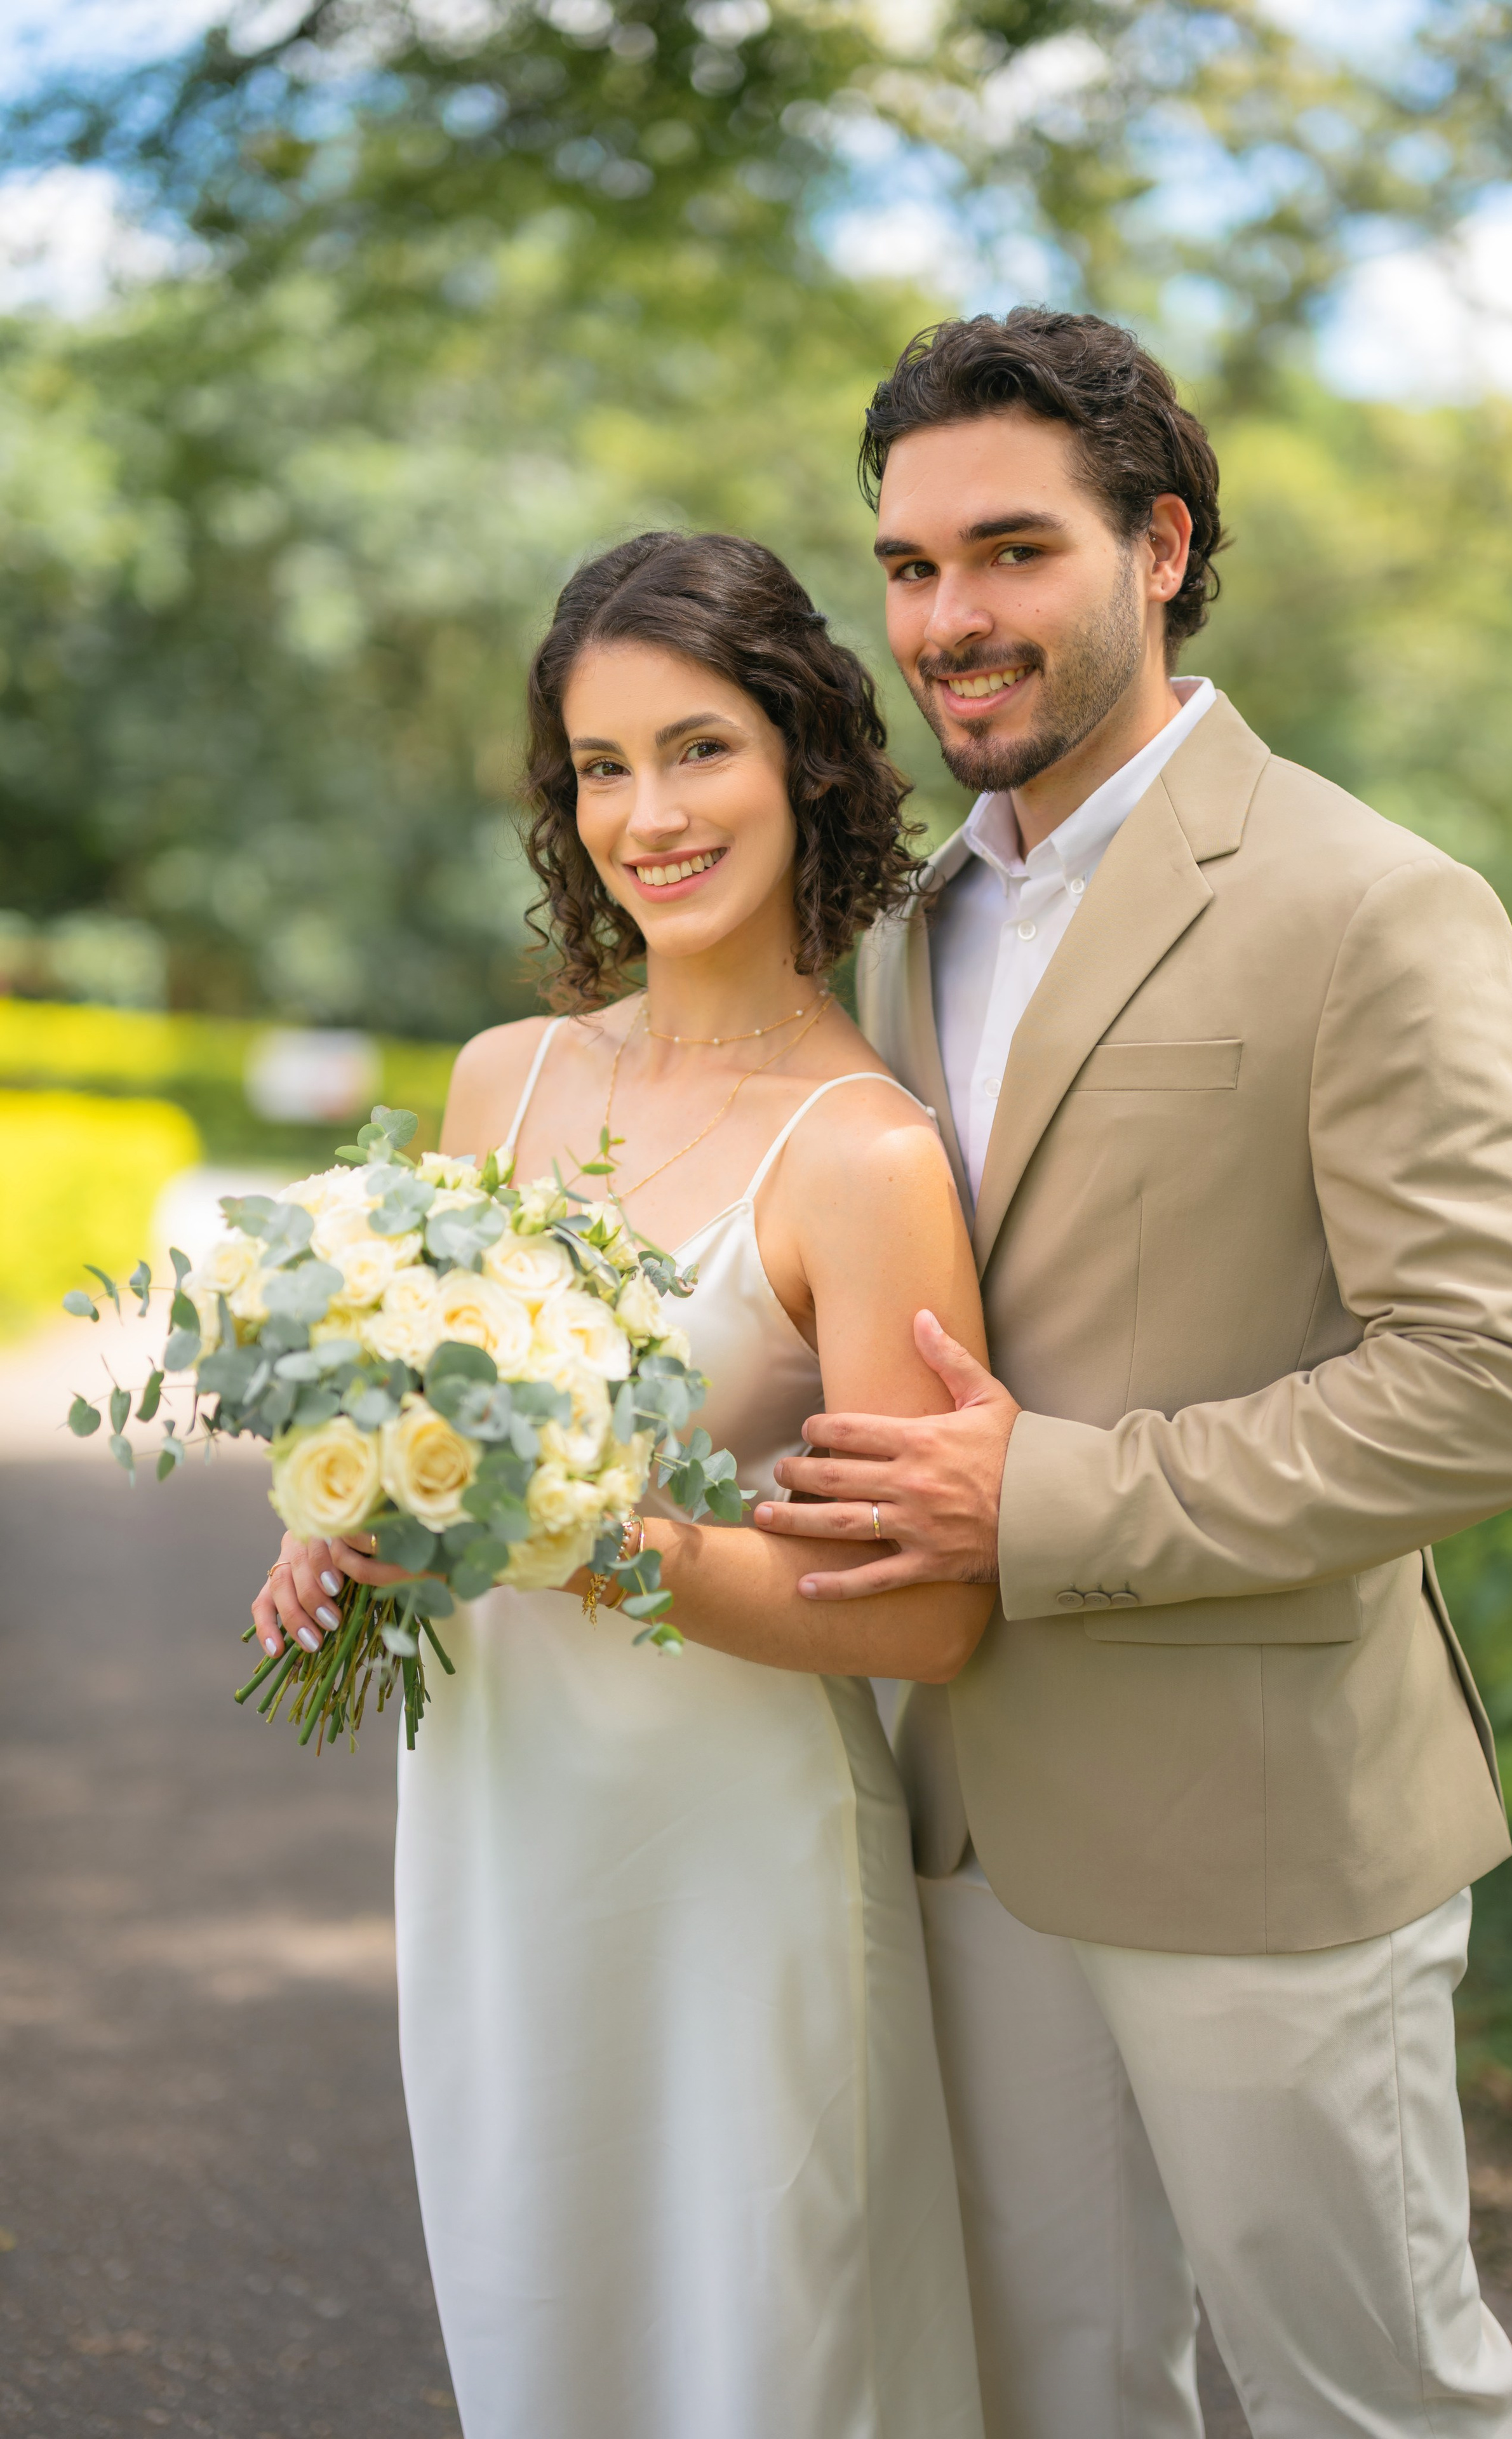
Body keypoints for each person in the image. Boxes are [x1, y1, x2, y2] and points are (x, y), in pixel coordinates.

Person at [753, 309, 1512, 2437]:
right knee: (1056, 2394)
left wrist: (1039, 1502)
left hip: (1264, 1834)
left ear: (1159, 545)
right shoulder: (908, 921)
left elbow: (1506, 1379)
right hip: (958, 1828)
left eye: (1012, 552)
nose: (948, 620)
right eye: (911, 565)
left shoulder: (1372, 903)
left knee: (1370, 2401)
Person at [250, 531, 991, 2439]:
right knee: (542, 2325)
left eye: (698, 750)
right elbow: (447, 1443)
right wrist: (348, 1524)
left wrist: (615, 1547)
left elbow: (931, 1610)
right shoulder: (503, 1082)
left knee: (767, 2354)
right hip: (499, 1820)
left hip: (731, 1859)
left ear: (805, 761)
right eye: (599, 767)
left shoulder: (870, 1156)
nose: (645, 815)